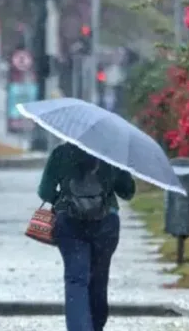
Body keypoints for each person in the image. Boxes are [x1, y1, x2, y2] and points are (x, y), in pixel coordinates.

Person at [37, 141, 136, 331]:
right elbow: (127, 192)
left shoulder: (61, 153)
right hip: (106, 223)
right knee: (99, 278)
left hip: (68, 223)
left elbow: (45, 191)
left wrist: (62, 200)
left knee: (76, 279)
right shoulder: (111, 153)